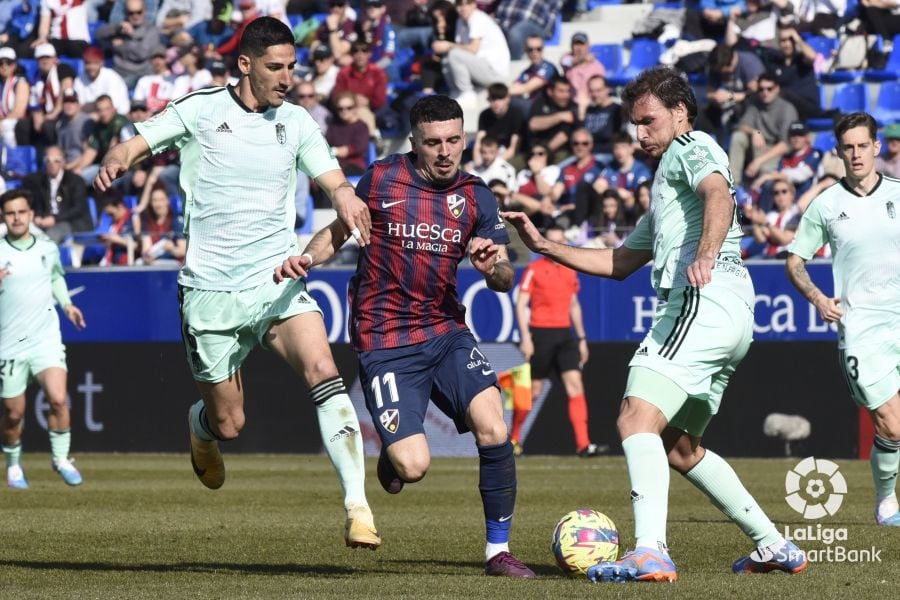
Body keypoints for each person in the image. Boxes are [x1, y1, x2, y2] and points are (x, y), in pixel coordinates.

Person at [504, 66, 808, 582]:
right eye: (633, 125)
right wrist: (546, 247)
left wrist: (706, 254)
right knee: (677, 447)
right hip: (729, 312)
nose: (639, 134)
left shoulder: (692, 146)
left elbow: (719, 193)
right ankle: (774, 546)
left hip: (701, 299)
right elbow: (620, 263)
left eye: (648, 121)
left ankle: (650, 551)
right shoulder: (667, 186)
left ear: (680, 113)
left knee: (633, 419)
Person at [92, 16, 380, 550]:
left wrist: (346, 197)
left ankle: (358, 509)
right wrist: (115, 158)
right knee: (230, 424)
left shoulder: (295, 121)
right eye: (276, 67)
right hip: (209, 291)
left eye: (293, 66)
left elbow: (333, 179)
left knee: (323, 368)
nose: (287, 77)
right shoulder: (202, 109)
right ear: (244, 64)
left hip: (277, 277)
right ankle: (201, 425)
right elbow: (136, 142)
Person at [275, 94, 535, 579]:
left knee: (495, 428)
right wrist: (306, 260)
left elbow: (503, 275)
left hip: (446, 332)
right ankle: (394, 463)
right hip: (386, 340)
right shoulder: (381, 178)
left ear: (465, 139)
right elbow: (337, 232)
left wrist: (492, 265)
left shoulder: (477, 195)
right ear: (414, 142)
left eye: (454, 140)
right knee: (414, 465)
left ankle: (497, 551)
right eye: (433, 142)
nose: (445, 151)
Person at [786, 111, 900, 527]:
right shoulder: (826, 205)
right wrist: (817, 296)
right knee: (890, 421)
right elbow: (795, 261)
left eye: (862, 146)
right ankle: (887, 500)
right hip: (862, 329)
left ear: (876, 147)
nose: (855, 154)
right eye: (847, 147)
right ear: (839, 151)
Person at [1, 189, 87, 489]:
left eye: (21, 212)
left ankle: (61, 459)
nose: (16, 218)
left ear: (31, 215)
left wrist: (67, 305)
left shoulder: (47, 247)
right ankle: (13, 466)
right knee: (14, 415)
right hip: (9, 343)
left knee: (59, 398)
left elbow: (55, 277)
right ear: (3, 216)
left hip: (45, 339)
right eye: (10, 213)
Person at [514, 224, 605, 457]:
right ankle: (513, 439)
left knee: (575, 385)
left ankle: (584, 445)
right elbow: (521, 304)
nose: (556, 245)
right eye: (552, 241)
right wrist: (526, 338)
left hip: (565, 335)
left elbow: (574, 305)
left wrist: (582, 338)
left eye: (560, 241)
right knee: (532, 390)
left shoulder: (570, 269)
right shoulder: (534, 269)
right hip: (541, 334)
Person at [21, 145, 93, 243]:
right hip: (46, 221)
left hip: (70, 222)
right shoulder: (39, 181)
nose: (52, 164)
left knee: (51, 235)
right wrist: (37, 216)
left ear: (63, 162)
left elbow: (78, 209)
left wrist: (55, 219)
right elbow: (36, 203)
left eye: (57, 160)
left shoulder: (76, 181)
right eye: (48, 160)